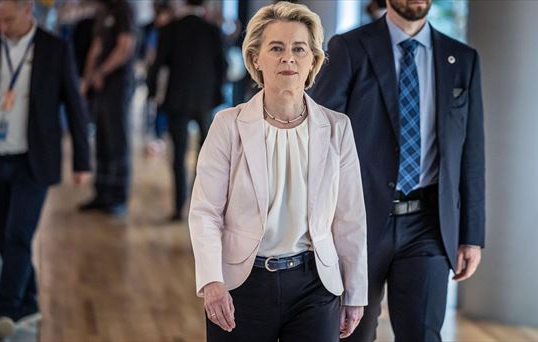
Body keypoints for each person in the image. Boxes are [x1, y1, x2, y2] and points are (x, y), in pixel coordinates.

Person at [188, 2, 367, 341]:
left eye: (299, 49)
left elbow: (350, 218)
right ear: (256, 58)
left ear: (313, 60)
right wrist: (211, 280)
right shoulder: (228, 125)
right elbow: (205, 213)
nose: (288, 57)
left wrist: (356, 294)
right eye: (276, 48)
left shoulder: (337, 128)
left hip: (316, 284)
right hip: (242, 282)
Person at [310, 0, 485, 340]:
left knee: (422, 334)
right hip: (358, 221)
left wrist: (472, 235)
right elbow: (319, 139)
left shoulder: (462, 59)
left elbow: (472, 153)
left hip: (428, 224)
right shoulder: (349, 49)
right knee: (353, 334)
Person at [0, 0, 91, 338]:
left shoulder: (55, 48)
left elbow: (75, 106)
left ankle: (3, 308)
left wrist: (82, 161)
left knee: (18, 234)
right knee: (3, 237)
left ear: (26, 11)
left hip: (34, 158)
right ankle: (29, 302)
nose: (2, 27)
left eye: (7, 19)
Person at [147, 0, 227, 221]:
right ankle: (199, 205)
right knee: (206, 158)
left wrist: (152, 93)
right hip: (204, 101)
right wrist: (217, 96)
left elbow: (158, 65)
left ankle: (178, 207)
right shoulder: (213, 30)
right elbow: (223, 66)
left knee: (179, 154)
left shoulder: (170, 29)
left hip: (177, 99)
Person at [79, 0, 135, 216]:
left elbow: (125, 47)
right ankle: (101, 193)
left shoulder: (124, 10)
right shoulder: (104, 11)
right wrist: (88, 76)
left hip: (118, 86)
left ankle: (118, 196)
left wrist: (101, 71)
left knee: (116, 140)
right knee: (101, 140)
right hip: (100, 87)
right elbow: (97, 45)